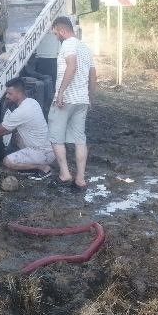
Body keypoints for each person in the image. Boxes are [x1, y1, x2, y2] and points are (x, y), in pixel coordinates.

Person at [49, 16, 96, 189]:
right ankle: (80, 178)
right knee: (80, 139)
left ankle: (65, 173)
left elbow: (72, 66)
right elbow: (93, 75)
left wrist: (60, 93)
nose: (56, 37)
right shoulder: (86, 48)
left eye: (56, 33)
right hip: (82, 100)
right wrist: (90, 98)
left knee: (56, 137)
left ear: (62, 30)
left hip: (66, 99)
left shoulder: (68, 44)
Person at [0, 78, 54, 179]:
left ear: (19, 94)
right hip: (49, 149)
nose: (6, 96)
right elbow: (8, 129)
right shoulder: (32, 102)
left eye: (9, 93)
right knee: (16, 135)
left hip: (43, 153)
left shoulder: (21, 111)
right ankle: (31, 163)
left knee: (7, 161)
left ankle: (43, 168)